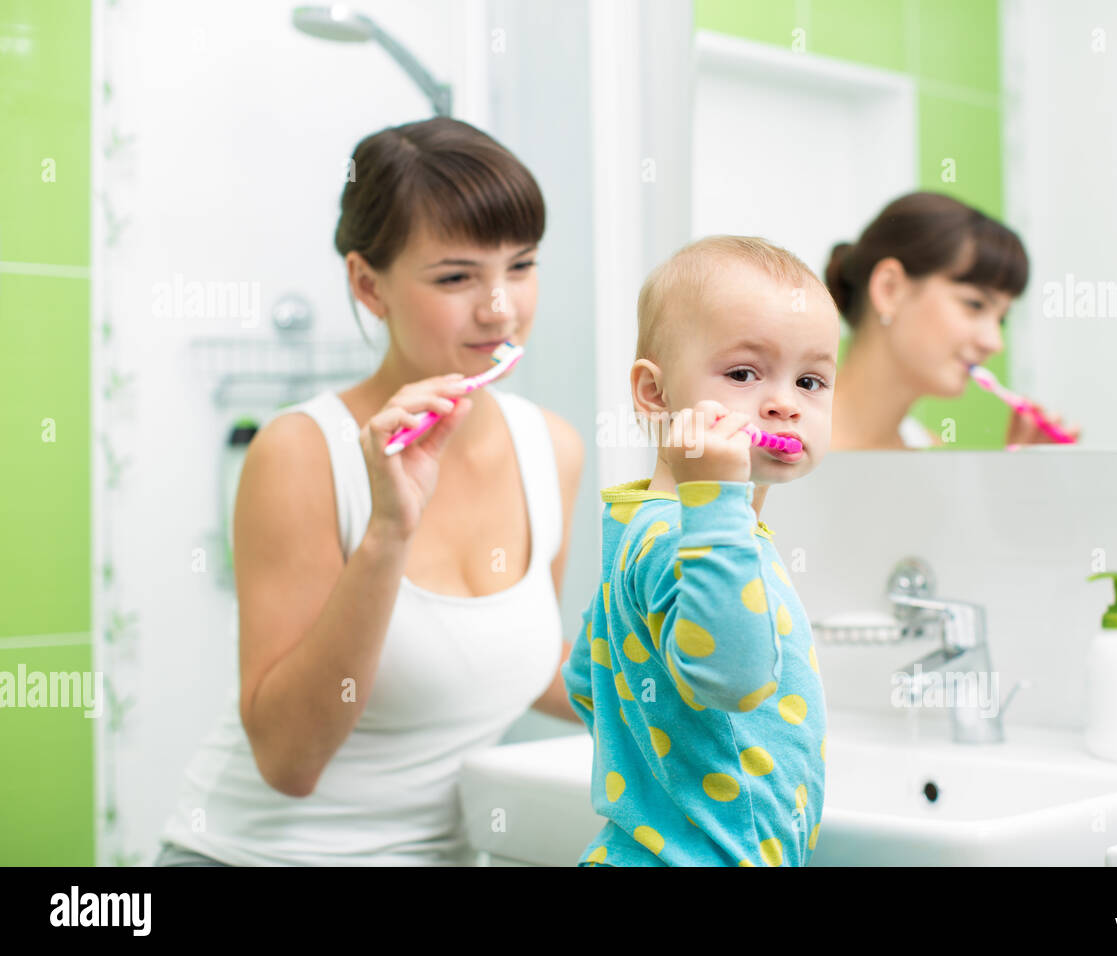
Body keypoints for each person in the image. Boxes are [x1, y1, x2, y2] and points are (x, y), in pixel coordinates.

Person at [154, 117, 584, 866]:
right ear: (367, 284)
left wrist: (686, 688)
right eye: (456, 277)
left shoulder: (553, 447)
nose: (501, 308)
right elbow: (289, 762)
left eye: (521, 265)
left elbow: (529, 663)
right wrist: (388, 533)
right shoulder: (298, 453)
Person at [561, 236, 839, 866]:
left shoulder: (652, 528)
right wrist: (714, 498)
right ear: (655, 395)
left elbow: (586, 677)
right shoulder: (687, 534)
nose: (784, 403)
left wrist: (664, 764)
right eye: (744, 373)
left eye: (811, 380)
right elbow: (735, 679)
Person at [825, 191, 1080, 449]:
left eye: (1001, 320)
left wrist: (1017, 475)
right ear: (889, 289)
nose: (994, 343)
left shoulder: (929, 453)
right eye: (975, 304)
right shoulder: (789, 445)